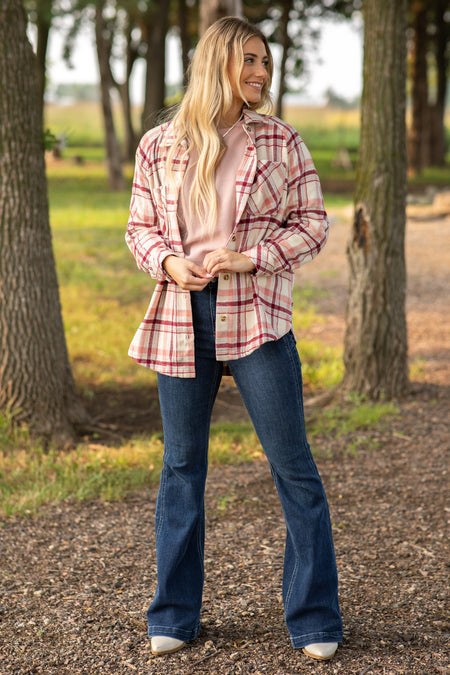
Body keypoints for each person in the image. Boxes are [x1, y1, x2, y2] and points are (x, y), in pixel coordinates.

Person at [126, 16, 343, 662]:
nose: (260, 74)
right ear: (217, 61)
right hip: (182, 314)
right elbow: (139, 228)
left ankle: (314, 618)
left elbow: (313, 225)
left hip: (258, 317)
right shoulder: (158, 145)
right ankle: (173, 613)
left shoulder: (282, 142)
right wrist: (169, 263)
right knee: (181, 468)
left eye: (266, 64)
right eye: (249, 60)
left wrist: (253, 256)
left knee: (294, 468)